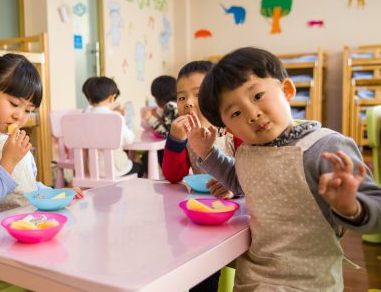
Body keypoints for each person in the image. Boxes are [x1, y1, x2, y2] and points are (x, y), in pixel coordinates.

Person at [187, 47, 381, 291]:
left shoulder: (325, 147)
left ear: (287, 90)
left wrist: (352, 207)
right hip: (252, 279)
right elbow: (238, 181)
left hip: (310, 283)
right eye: (235, 112)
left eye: (257, 96)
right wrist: (207, 151)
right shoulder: (247, 150)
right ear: (229, 128)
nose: (252, 114)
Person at [0, 53, 83, 219]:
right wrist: (7, 163)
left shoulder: (11, 138)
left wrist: (55, 193)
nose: (19, 116)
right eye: (14, 104)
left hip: (26, 222)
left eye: (28, 110)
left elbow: (27, 188)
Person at [162, 61, 237, 199]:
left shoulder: (234, 129)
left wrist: (235, 189)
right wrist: (176, 141)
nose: (188, 102)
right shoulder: (186, 133)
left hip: (240, 203)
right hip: (201, 200)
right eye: (182, 97)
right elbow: (173, 177)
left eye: (198, 94)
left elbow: (253, 173)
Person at [82, 76, 144, 178]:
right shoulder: (115, 117)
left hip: (93, 170)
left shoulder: (84, 116)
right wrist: (123, 118)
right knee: (139, 167)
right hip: (116, 170)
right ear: (111, 98)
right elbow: (129, 139)